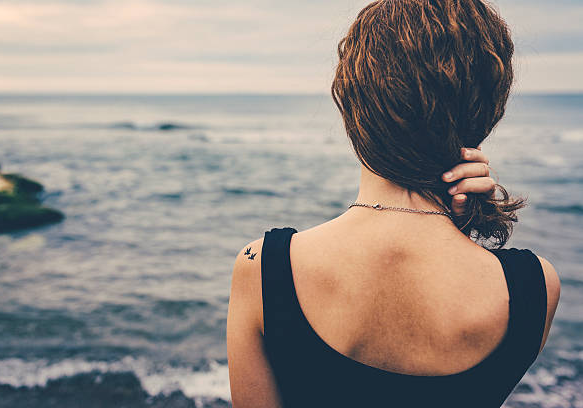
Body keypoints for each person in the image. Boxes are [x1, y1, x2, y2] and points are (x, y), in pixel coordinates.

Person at [227, 1, 561, 407]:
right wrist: (466, 228)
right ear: (488, 109)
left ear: (353, 106)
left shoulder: (262, 268)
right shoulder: (535, 288)